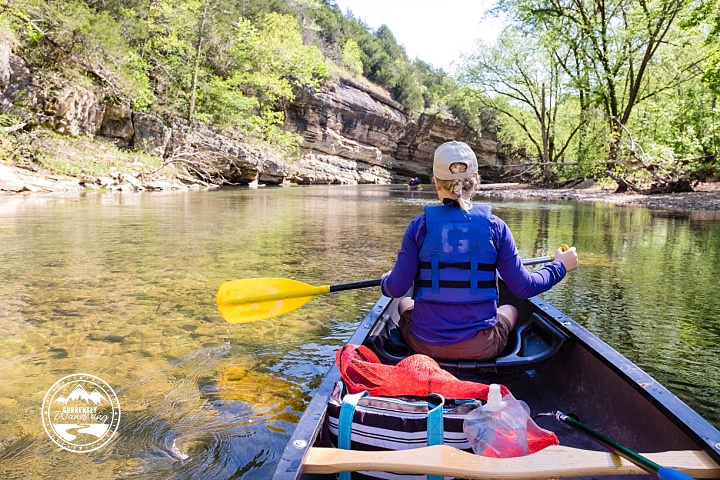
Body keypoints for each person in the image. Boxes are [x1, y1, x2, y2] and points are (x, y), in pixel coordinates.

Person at [381, 141, 578, 361]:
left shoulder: (418, 227)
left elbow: (396, 289)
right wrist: (559, 266)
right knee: (511, 309)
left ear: (436, 183)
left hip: (425, 345)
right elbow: (525, 288)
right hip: (480, 348)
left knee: (404, 303)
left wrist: (386, 281)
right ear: (476, 184)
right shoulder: (496, 228)